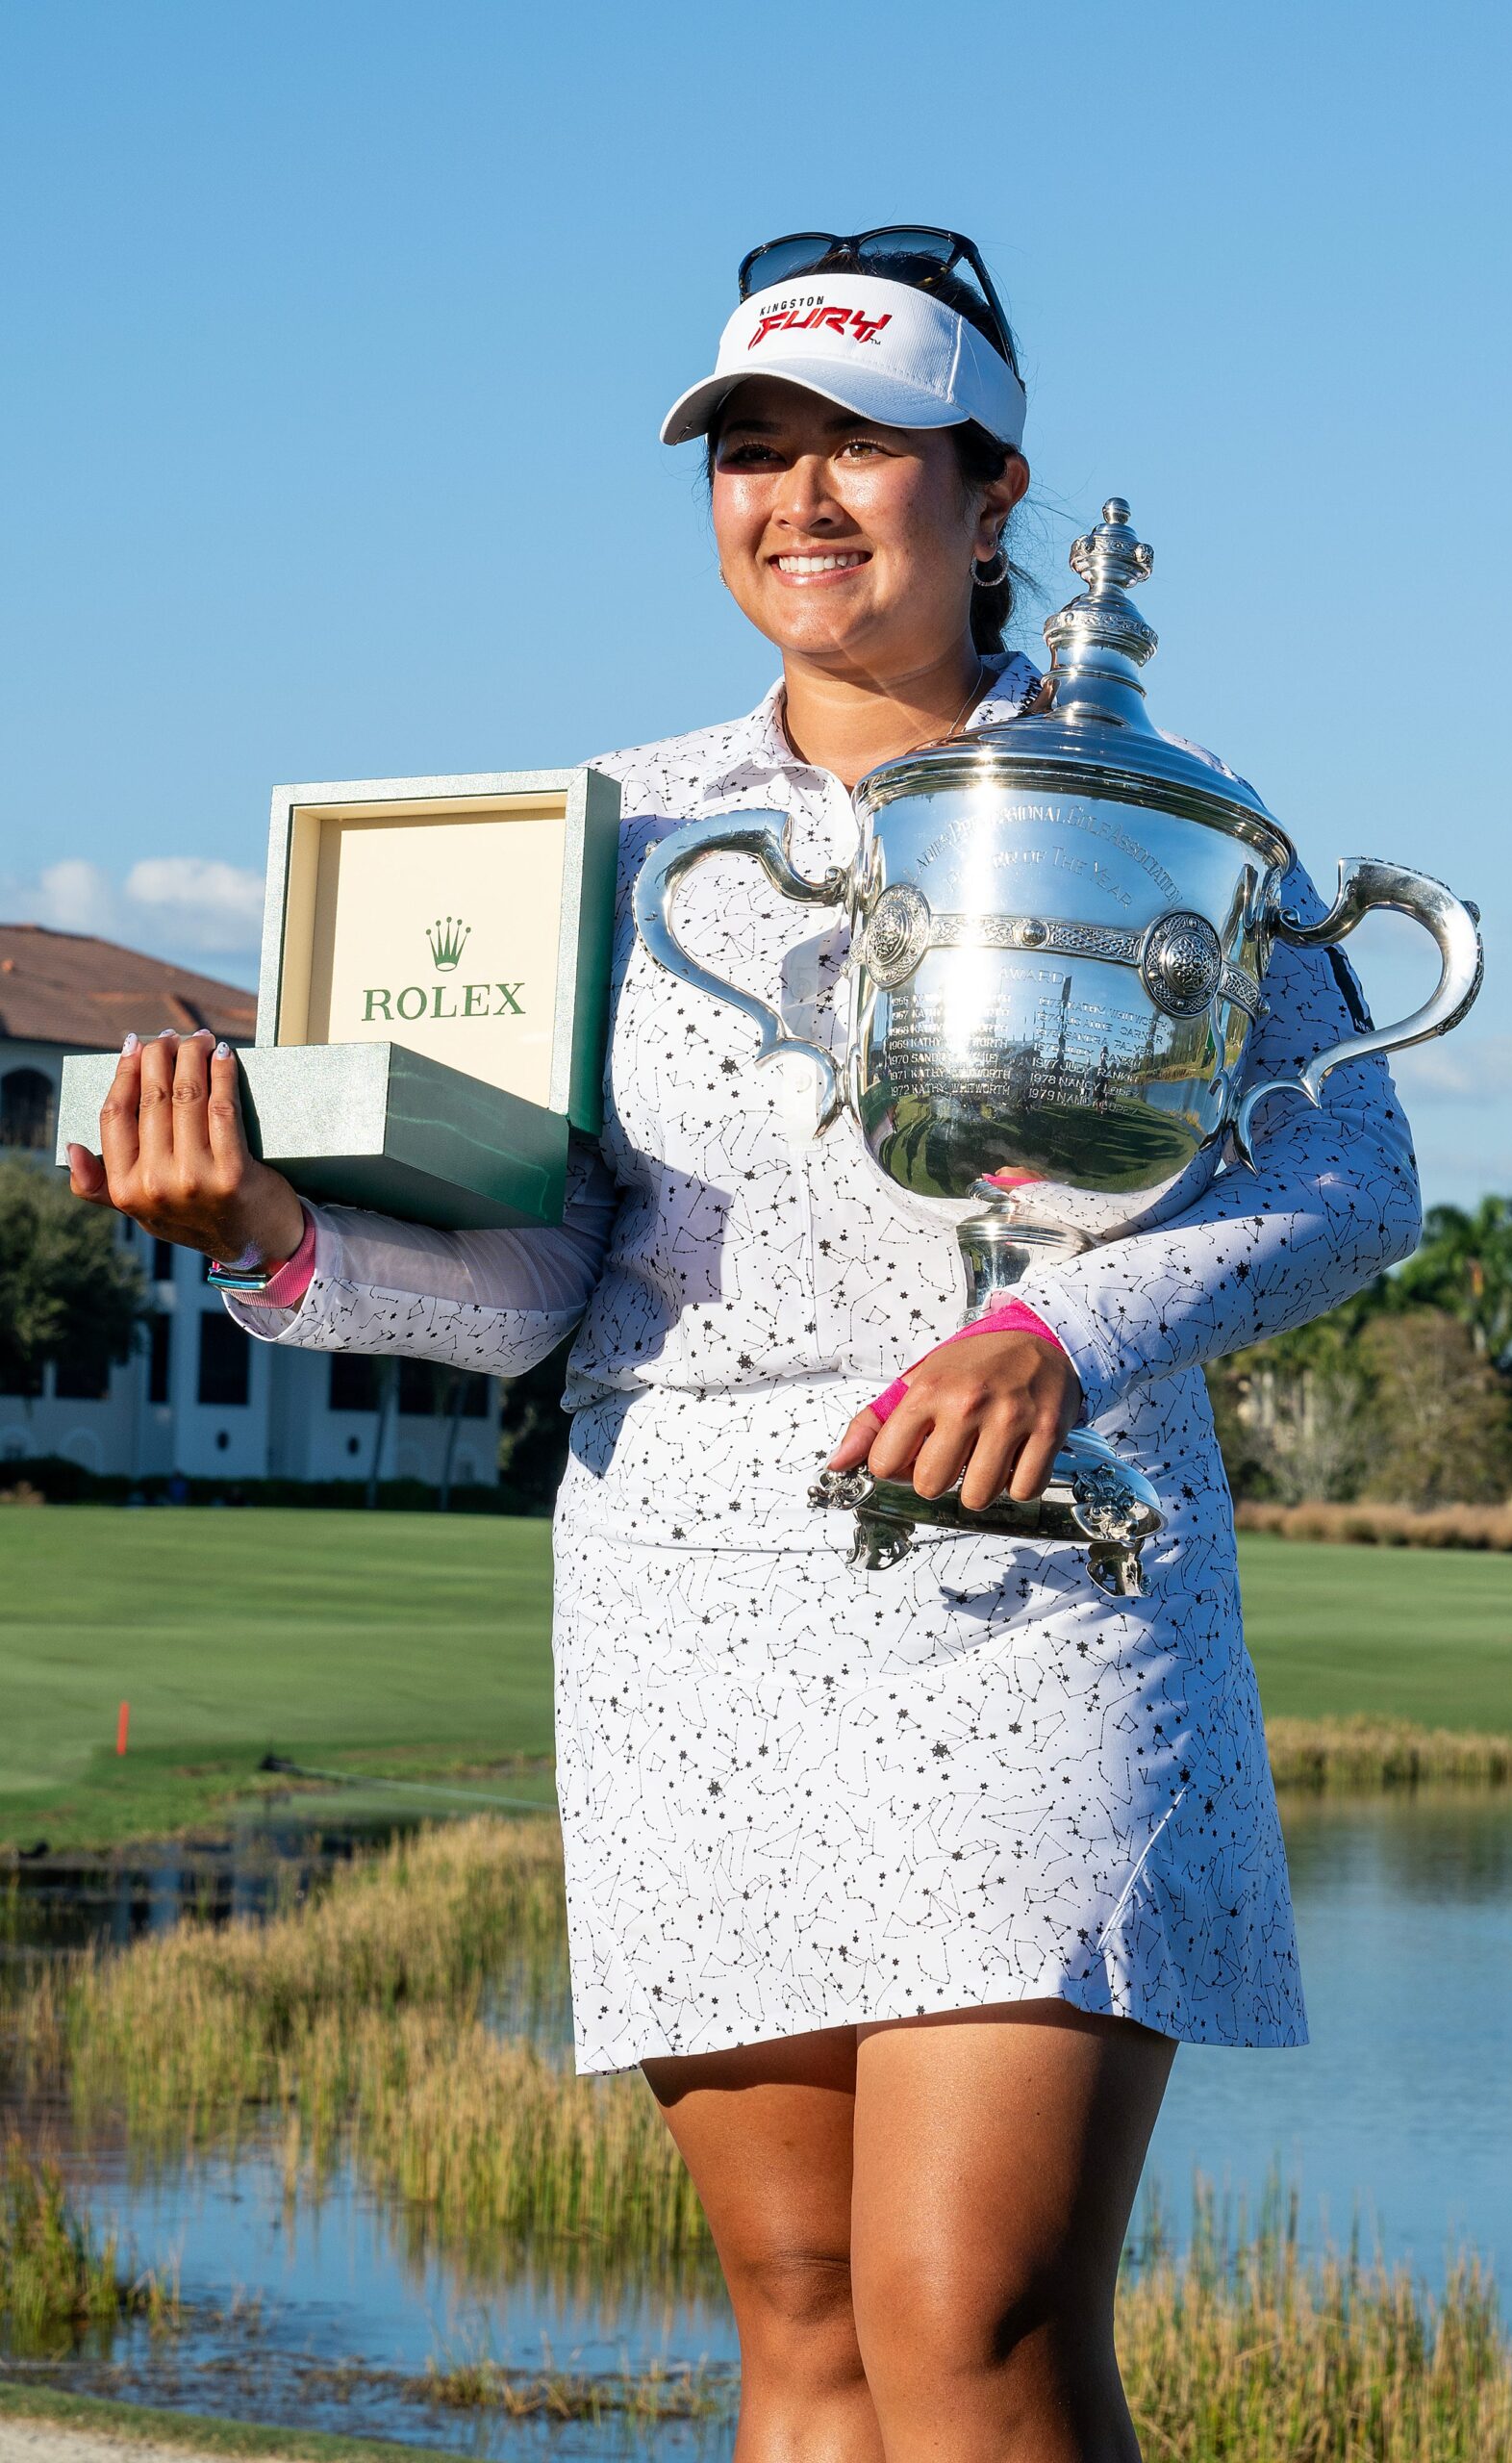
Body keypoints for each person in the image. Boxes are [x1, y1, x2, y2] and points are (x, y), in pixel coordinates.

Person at [72, 227, 1423, 2463]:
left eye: (863, 446)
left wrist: (1064, 1330)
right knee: (798, 2320)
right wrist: (277, 1237)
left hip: (1040, 1584)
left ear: (992, 492)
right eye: (751, 450)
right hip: (685, 1604)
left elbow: (1347, 1173)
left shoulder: (1155, 802)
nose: (798, 498)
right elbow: (541, 1288)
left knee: (963, 2313)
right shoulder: (602, 837)